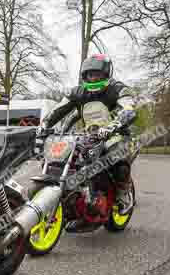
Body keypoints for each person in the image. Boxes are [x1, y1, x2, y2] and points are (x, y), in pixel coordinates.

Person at [34, 53, 137, 215]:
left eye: (97, 74)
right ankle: (70, 195)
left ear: (106, 74)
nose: (94, 78)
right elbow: (58, 110)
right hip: (89, 135)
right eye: (90, 75)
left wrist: (113, 126)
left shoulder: (117, 89)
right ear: (84, 76)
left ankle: (123, 194)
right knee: (60, 156)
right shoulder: (78, 92)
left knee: (117, 157)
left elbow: (129, 109)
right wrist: (44, 125)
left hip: (116, 134)